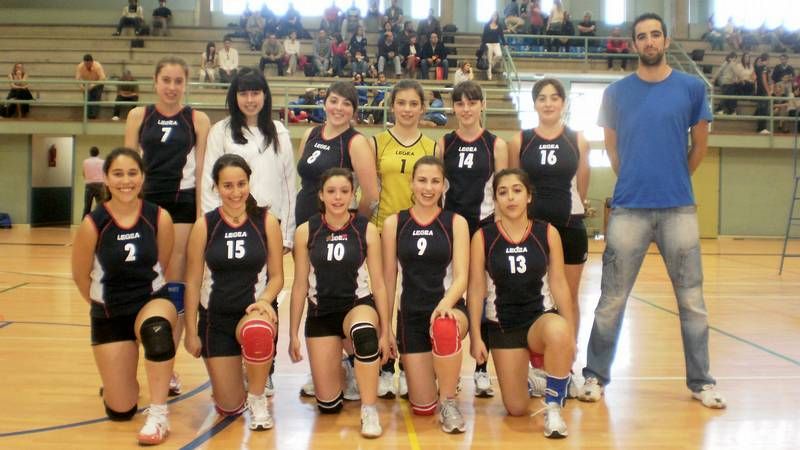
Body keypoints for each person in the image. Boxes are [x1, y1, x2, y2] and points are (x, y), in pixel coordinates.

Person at [579, 13, 726, 410]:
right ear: (633, 43)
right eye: (641, 36)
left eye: (655, 35)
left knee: (692, 301)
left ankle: (701, 381)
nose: (649, 41)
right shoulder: (615, 93)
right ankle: (594, 376)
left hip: (679, 208)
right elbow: (611, 150)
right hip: (629, 209)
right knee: (611, 299)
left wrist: (674, 177)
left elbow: (698, 147)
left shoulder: (692, 88)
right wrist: (638, 182)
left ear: (666, 39)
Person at [71, 147, 177, 445]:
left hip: (151, 300)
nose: (125, 181)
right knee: (121, 410)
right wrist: (103, 304)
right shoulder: (93, 223)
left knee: (157, 333)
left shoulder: (159, 217)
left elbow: (162, 264)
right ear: (105, 178)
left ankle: (158, 414)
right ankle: (119, 383)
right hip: (110, 313)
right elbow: (81, 277)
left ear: (142, 177)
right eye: (117, 174)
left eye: (132, 173)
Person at [124, 57, 211, 397]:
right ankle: (124, 368)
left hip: (182, 207)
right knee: (137, 285)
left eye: (178, 81)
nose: (172, 87)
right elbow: (126, 165)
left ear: (185, 83)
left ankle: (168, 367)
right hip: (143, 206)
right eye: (166, 80)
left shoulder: (197, 119)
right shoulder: (138, 116)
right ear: (155, 81)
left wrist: (203, 213)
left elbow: (202, 170)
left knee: (173, 286)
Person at [467, 168, 575, 438]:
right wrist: (476, 337)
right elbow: (476, 289)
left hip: (539, 318)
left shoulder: (547, 233)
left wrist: (570, 333)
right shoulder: (483, 237)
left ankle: (553, 408)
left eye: (517, 190)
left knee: (559, 332)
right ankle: (532, 377)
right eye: (502, 192)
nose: (510, 198)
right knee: (516, 408)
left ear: (528, 196)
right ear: (496, 199)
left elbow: (559, 284)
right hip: (502, 325)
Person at [288, 167, 393, 438]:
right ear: (321, 195)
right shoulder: (306, 231)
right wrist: (292, 335)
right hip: (321, 313)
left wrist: (387, 331)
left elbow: (379, 283)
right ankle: (346, 368)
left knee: (365, 335)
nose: (338, 197)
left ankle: (369, 409)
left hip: (356, 306)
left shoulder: (365, 229)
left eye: (344, 191)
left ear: (353, 194)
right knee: (329, 405)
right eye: (331, 191)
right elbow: (299, 285)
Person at [183, 154, 284, 429]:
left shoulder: (266, 222)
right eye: (228, 185)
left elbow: (277, 277)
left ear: (249, 183)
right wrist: (190, 332)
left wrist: (264, 301)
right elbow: (192, 281)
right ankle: (238, 376)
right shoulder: (205, 225)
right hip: (215, 320)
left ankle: (258, 396)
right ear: (216, 187)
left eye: (241, 184)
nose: (236, 192)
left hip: (252, 314)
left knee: (257, 333)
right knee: (229, 408)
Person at [509, 78, 590, 397]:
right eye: (542, 98)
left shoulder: (578, 140)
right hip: (532, 231)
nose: (548, 103)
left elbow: (581, 187)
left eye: (554, 98)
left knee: (567, 298)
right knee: (534, 296)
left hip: (569, 227)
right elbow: (513, 184)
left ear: (563, 103)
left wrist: (568, 212)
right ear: (534, 103)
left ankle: (565, 365)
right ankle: (537, 367)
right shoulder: (521, 140)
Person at [381, 156, 469, 433]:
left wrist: (444, 304)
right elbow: (387, 280)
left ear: (444, 185)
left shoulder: (455, 222)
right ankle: (442, 374)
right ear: (411, 182)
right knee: (421, 408)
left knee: (444, 326)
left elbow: (462, 276)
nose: (428, 188)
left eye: (435, 181)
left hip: (449, 309)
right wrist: (386, 329)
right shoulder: (395, 223)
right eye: (422, 180)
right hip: (411, 316)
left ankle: (449, 400)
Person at [438, 81, 509, 397]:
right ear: (453, 108)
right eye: (460, 103)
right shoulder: (444, 143)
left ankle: (481, 368)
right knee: (451, 296)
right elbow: (438, 191)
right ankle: (448, 369)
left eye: (471, 102)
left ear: (482, 105)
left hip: (482, 229)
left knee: (482, 299)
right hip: (452, 229)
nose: (465, 109)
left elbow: (502, 191)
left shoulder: (496, 145)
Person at [371, 80, 437, 397]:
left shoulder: (432, 146)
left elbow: (438, 193)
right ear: (392, 105)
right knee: (384, 290)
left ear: (422, 108)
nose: (407, 109)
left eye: (414, 103)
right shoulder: (377, 142)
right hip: (385, 226)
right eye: (401, 103)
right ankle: (385, 363)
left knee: (414, 295)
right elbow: (369, 190)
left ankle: (415, 362)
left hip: (420, 228)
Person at [203, 67, 295, 251]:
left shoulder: (280, 132)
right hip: (229, 227)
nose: (250, 100)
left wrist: (286, 235)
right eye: (243, 94)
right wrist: (212, 229)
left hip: (270, 227)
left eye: (255, 93)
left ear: (265, 95)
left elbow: (288, 188)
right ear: (234, 97)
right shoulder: (220, 131)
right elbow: (209, 185)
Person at [295, 81, 379, 227]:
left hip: (337, 228)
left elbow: (371, 197)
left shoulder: (357, 142)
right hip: (303, 221)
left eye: (346, 104)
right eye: (333, 101)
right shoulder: (310, 134)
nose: (339, 108)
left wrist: (354, 226)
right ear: (324, 103)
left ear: (354, 109)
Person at [76, 54, 106, 120]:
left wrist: (93, 84)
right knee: (87, 98)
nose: (87, 66)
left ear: (92, 62)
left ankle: (94, 117)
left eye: (88, 64)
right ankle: (87, 116)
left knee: (95, 99)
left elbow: (103, 78)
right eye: (85, 64)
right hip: (86, 83)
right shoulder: (80, 66)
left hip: (97, 83)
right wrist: (81, 87)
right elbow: (78, 79)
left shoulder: (97, 66)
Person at [481, 12, 507, 81]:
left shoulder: (499, 25)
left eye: (496, 16)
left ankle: (491, 64)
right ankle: (489, 75)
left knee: (499, 55)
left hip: (496, 43)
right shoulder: (487, 25)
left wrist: (505, 44)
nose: (494, 17)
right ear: (491, 16)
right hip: (488, 44)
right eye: (493, 16)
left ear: (497, 17)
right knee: (489, 59)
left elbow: (502, 36)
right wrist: (483, 45)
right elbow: (484, 36)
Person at [82, 146, 105, 217]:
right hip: (100, 185)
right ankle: (100, 224)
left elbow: (83, 173)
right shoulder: (103, 162)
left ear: (90, 153)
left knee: (87, 207)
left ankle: (84, 224)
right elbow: (104, 173)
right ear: (98, 153)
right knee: (100, 206)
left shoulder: (85, 162)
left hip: (89, 185)